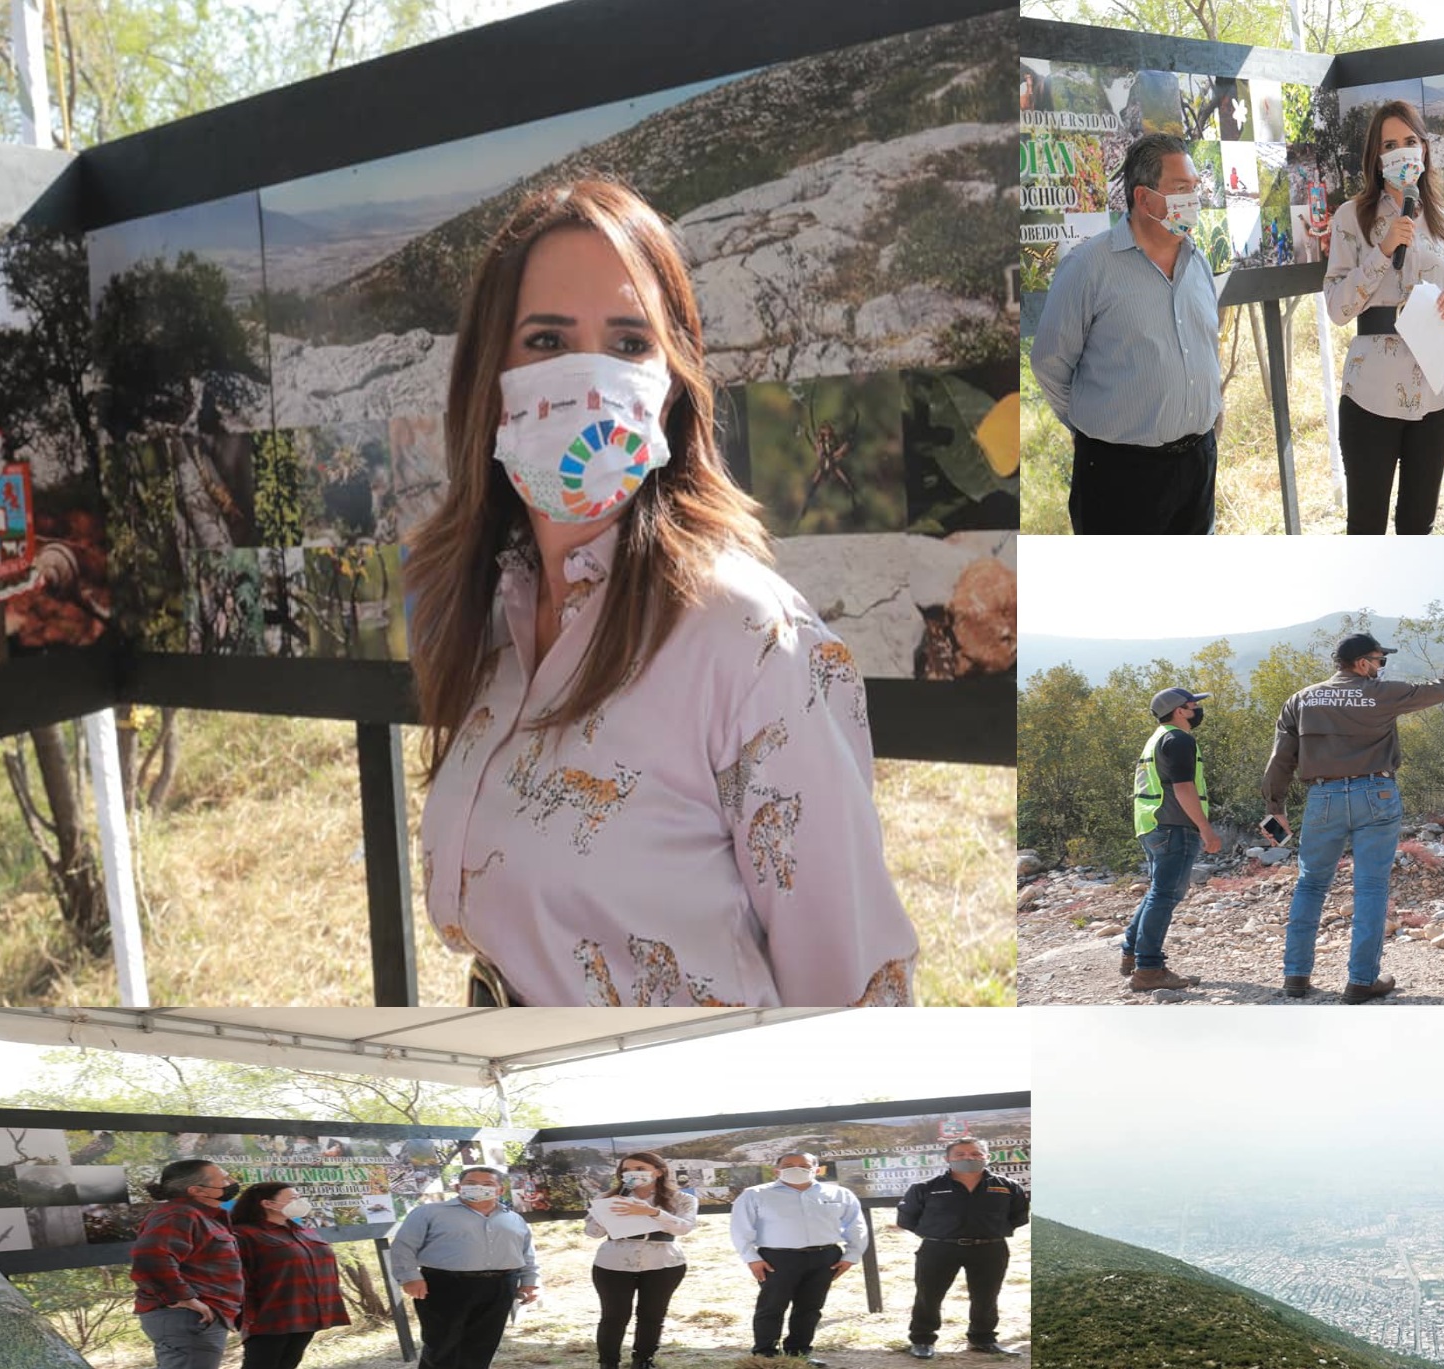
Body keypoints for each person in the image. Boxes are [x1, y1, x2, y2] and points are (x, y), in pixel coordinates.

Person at [405, 179, 917, 1008]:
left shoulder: (751, 642)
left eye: (628, 342)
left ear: (671, 381)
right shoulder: (495, 615)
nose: (588, 378)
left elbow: (853, 998)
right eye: (546, 340)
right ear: (488, 377)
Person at [1262, 634, 1444, 1002]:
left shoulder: (1301, 700)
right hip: (1375, 794)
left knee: (1310, 885)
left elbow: (1281, 757)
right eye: (1380, 660)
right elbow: (1434, 691)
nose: (1382, 667)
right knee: (1370, 887)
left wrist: (1275, 808)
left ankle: (1296, 977)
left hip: (1323, 797)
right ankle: (1361, 981)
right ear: (1362, 663)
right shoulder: (1381, 693)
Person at [1029, 133, 1223, 535]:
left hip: (1198, 464)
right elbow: (1049, 363)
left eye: (1195, 188)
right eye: (1181, 189)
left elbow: (1205, 349)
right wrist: (1090, 426)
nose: (1194, 199)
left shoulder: (1198, 263)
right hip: (1120, 474)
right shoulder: (1089, 267)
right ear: (1144, 198)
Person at [1322, 100, 1444, 535]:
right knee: (1366, 526)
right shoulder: (1352, 218)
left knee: (1418, 525)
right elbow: (1337, 307)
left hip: (1438, 394)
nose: (1402, 151)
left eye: (1409, 141)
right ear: (1376, 156)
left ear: (1424, 148)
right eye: (1390, 145)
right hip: (1373, 394)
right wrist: (1383, 250)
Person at [1120, 686, 1221, 993]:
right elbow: (1183, 787)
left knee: (1157, 893)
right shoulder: (1179, 739)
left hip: (1151, 824)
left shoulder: (1157, 738)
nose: (1198, 709)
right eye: (1193, 705)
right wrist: (1205, 828)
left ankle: (1132, 954)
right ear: (1180, 711)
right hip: (1174, 826)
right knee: (1164, 896)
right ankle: (1149, 969)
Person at [388, 1168, 541, 1369]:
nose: (479, 1187)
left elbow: (526, 1254)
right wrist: (409, 1277)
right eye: (471, 1183)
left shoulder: (514, 1218)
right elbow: (404, 1246)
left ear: (500, 1190)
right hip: (445, 1285)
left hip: (501, 1285)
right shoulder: (429, 1213)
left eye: (487, 1184)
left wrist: (530, 1282)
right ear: (459, 1187)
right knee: (442, 1344)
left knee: (483, 1343)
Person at [895, 1138, 1029, 1359]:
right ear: (947, 1158)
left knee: (986, 1296)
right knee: (929, 1295)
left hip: (990, 1249)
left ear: (987, 1157)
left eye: (976, 1154)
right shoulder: (926, 1188)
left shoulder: (1007, 1187)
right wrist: (938, 1234)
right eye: (960, 1154)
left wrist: (989, 1231)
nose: (968, 1158)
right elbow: (907, 1219)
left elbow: (1018, 1217)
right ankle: (922, 1340)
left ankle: (982, 1338)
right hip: (938, 1249)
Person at [729, 1151, 866, 1364]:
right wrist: (752, 1258)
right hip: (777, 1259)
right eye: (788, 1165)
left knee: (810, 1307)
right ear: (777, 1171)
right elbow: (740, 1229)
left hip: (825, 1257)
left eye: (804, 1166)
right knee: (772, 1306)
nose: (796, 1169)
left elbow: (856, 1225)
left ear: (816, 1170)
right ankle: (765, 1354)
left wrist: (852, 1255)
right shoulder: (754, 1194)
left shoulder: (840, 1194)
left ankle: (799, 1353)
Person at [584, 1150, 697, 1369]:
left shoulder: (682, 1199)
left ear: (659, 1171)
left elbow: (685, 1228)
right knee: (614, 1316)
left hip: (664, 1263)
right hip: (613, 1263)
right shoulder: (606, 1198)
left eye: (640, 1169)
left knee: (652, 1315)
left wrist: (652, 1212)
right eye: (626, 1170)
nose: (632, 1174)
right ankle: (608, 1363)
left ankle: (643, 1360)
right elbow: (592, 1233)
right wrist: (605, 1212)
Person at [131, 1159, 245, 1369]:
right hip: (187, 1317)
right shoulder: (178, 1214)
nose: (231, 1181)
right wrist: (184, 1297)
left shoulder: (203, 1215)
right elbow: (150, 1258)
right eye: (223, 1178)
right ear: (197, 1190)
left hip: (196, 1318)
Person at [229, 1183, 349, 1369]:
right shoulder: (243, 1234)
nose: (300, 1202)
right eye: (293, 1198)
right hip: (270, 1315)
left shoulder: (302, 1230)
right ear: (268, 1204)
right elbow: (236, 1277)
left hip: (308, 1310)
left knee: (289, 1363)